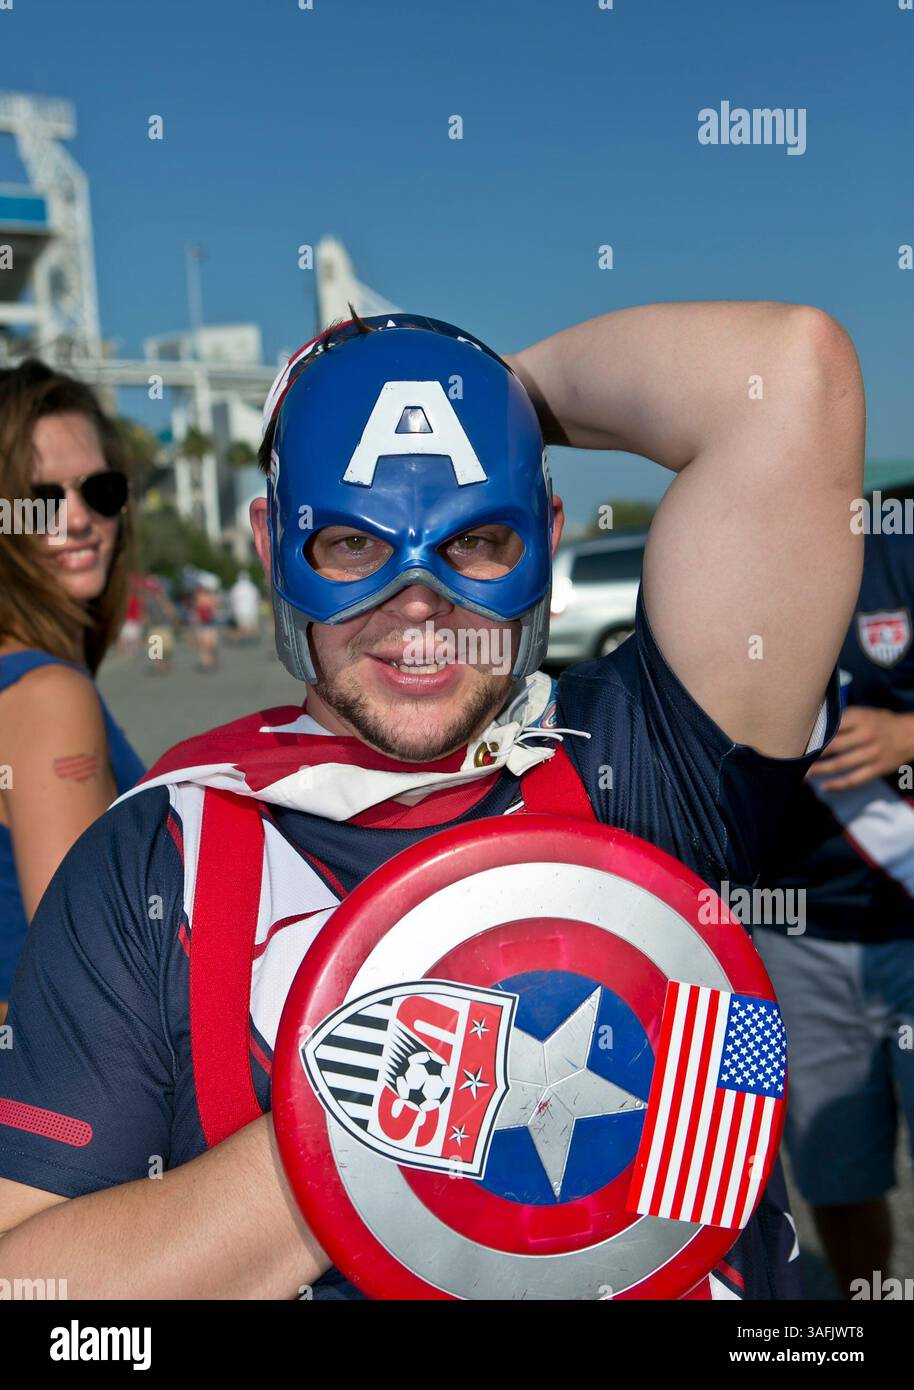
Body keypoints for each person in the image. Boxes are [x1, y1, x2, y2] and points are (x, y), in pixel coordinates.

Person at [0, 306, 863, 1299]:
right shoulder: (159, 854)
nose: (417, 606)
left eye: (477, 539)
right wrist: (384, 1125)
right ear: (276, 541)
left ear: (542, 535)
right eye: (355, 547)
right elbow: (34, 1283)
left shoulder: (637, 756)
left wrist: (464, 391)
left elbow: (791, 377)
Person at [755, 482, 914, 1298]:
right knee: (837, 1176)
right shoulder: (721, 566)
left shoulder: (898, 548)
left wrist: (906, 735)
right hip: (794, 934)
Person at [0, 361, 145, 1019]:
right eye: (43, 498)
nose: (80, 519)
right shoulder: (47, 695)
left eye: (102, 490)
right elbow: (83, 991)